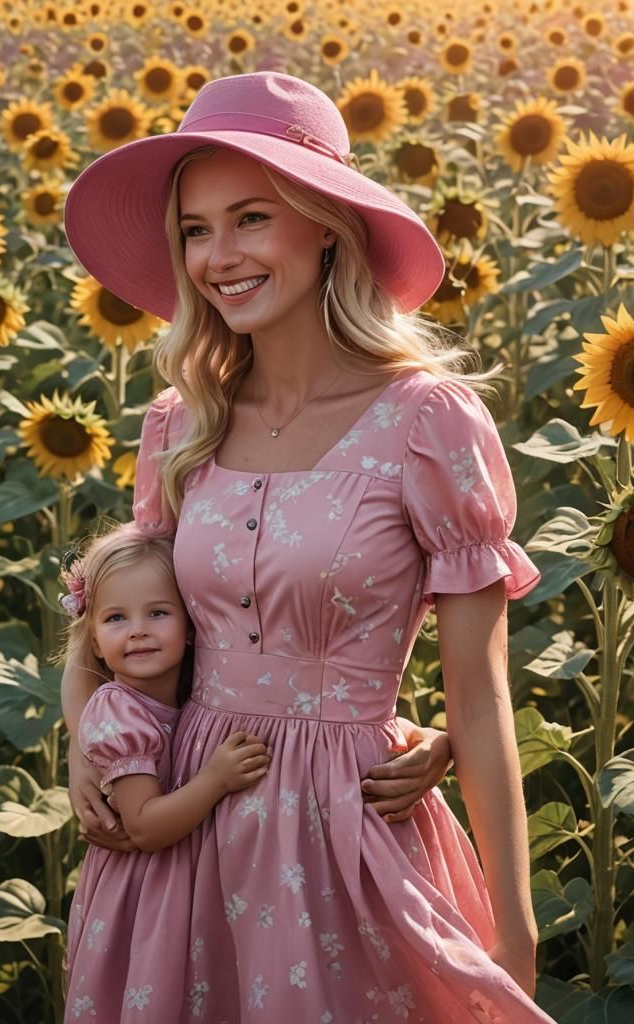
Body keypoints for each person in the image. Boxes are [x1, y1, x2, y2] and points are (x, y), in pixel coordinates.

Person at [57, 72, 552, 1023]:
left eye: (250, 219)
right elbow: (109, 632)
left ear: (326, 223)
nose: (216, 257)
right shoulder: (180, 424)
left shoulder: (427, 421)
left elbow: (480, 696)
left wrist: (515, 929)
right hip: (179, 834)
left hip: (344, 834)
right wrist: (85, 742)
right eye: (196, 229)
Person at [58, 523, 274, 1012]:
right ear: (92, 640)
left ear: (192, 626)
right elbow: (145, 826)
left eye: (157, 613)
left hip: (172, 880)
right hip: (142, 892)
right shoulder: (120, 714)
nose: (138, 630)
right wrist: (215, 779)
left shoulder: (174, 697)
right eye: (115, 618)